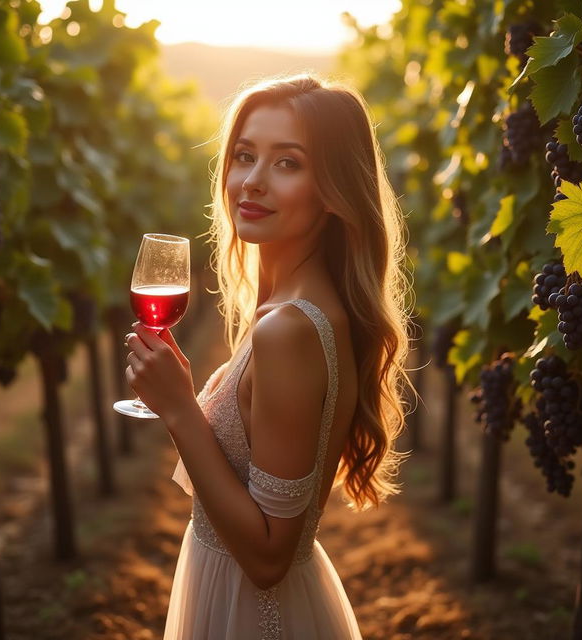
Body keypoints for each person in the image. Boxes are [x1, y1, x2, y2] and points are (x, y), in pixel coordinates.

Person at [124, 73, 412, 639]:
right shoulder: (299, 305)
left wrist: (180, 409)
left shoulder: (290, 329)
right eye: (244, 156)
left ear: (333, 189)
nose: (251, 182)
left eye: (287, 163)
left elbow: (267, 559)